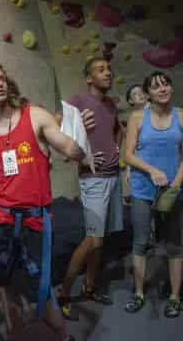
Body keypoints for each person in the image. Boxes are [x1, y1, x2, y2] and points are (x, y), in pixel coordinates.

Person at [0, 61, 87, 341]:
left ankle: (65, 336)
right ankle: (16, 335)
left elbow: (68, 146)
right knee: (8, 288)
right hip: (0, 222)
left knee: (41, 287)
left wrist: (82, 144)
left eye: (2, 78)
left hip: (35, 220)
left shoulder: (35, 116)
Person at [58, 57, 124, 321]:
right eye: (101, 70)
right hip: (93, 180)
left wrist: (118, 147)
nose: (108, 72)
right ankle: (64, 293)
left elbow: (118, 129)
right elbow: (59, 133)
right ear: (89, 79)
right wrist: (82, 157)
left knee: (100, 241)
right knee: (93, 240)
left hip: (113, 177)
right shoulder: (78, 102)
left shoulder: (111, 104)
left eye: (109, 68)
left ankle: (90, 287)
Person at [124, 71, 183, 317]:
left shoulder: (181, 115)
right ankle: (138, 292)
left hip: (173, 190)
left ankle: (174, 297)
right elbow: (127, 155)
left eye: (166, 84)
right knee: (140, 242)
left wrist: (176, 185)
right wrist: (151, 170)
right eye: (156, 86)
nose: (163, 89)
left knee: (174, 245)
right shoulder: (138, 117)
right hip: (143, 188)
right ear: (148, 93)